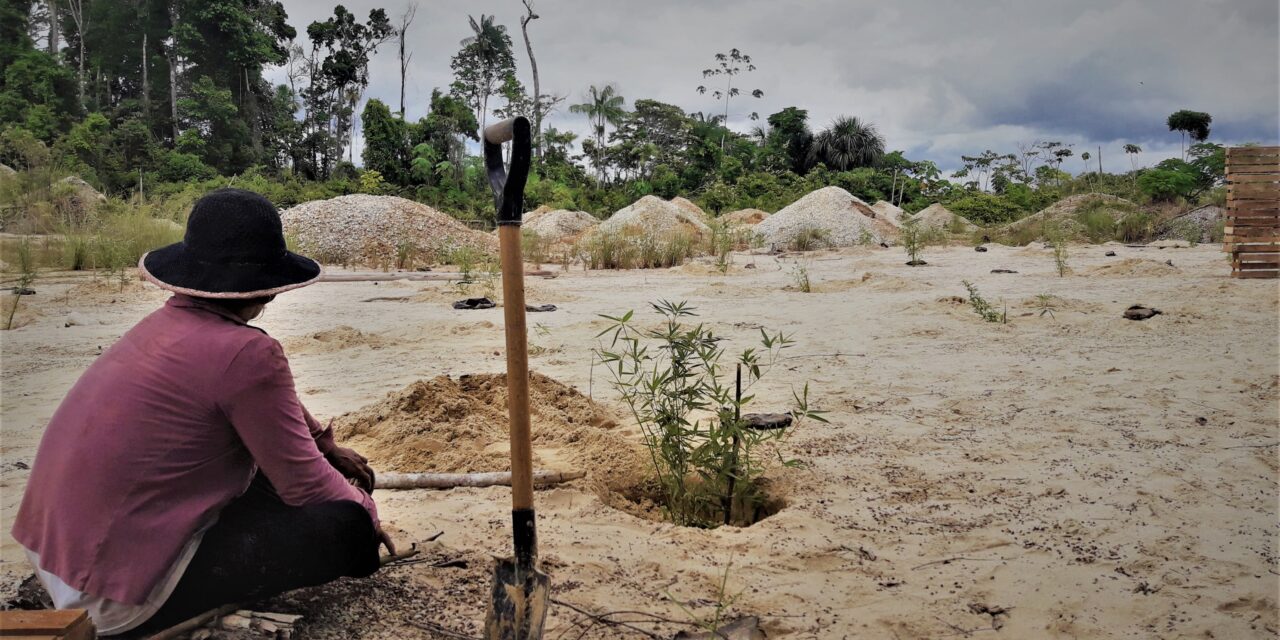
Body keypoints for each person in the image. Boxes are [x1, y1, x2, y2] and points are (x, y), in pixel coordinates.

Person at [11, 188, 395, 636]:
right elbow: (307, 485)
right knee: (343, 525)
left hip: (58, 557)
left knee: (270, 470)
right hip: (114, 599)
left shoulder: (166, 327)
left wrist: (325, 443)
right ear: (269, 288)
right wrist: (367, 515)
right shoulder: (249, 354)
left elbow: (270, 408)